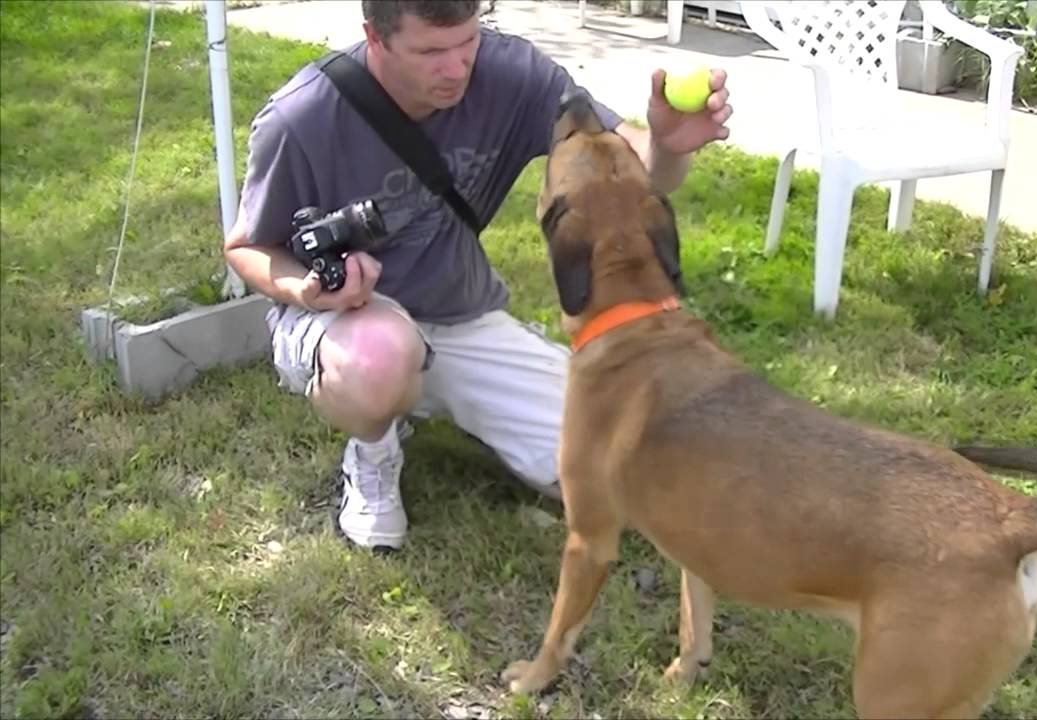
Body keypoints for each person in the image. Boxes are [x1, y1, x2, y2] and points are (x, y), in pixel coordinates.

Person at [222, 0, 732, 553]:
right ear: (375, 37)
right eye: (431, 51)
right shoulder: (302, 117)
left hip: (456, 310)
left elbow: (623, 161)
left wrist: (666, 146)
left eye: (467, 42)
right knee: (380, 358)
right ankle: (373, 451)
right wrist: (307, 289)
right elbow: (248, 248)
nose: (457, 67)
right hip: (346, 323)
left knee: (629, 469)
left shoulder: (510, 73)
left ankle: (434, 390)